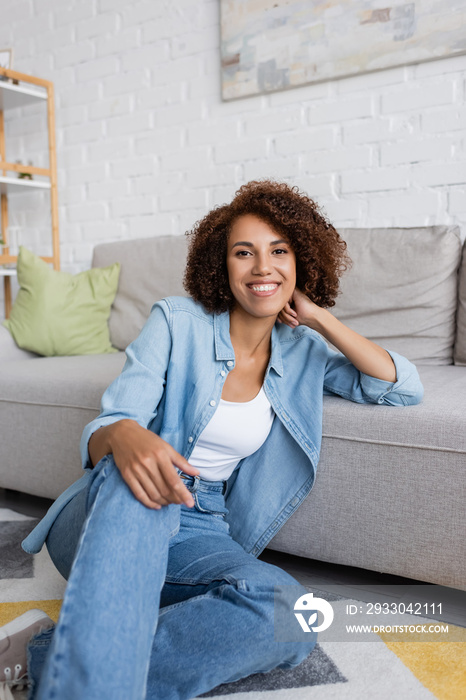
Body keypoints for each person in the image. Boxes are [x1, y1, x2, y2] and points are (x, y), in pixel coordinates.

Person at [1, 180, 423, 700]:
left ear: (302, 263)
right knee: (141, 478)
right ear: (221, 265)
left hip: (201, 522)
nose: (262, 267)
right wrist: (125, 434)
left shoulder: (304, 352)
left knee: (291, 612)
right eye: (243, 252)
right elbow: (106, 428)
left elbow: (401, 387)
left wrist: (319, 318)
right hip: (118, 502)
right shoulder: (177, 322)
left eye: (279, 251)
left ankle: (48, 657)